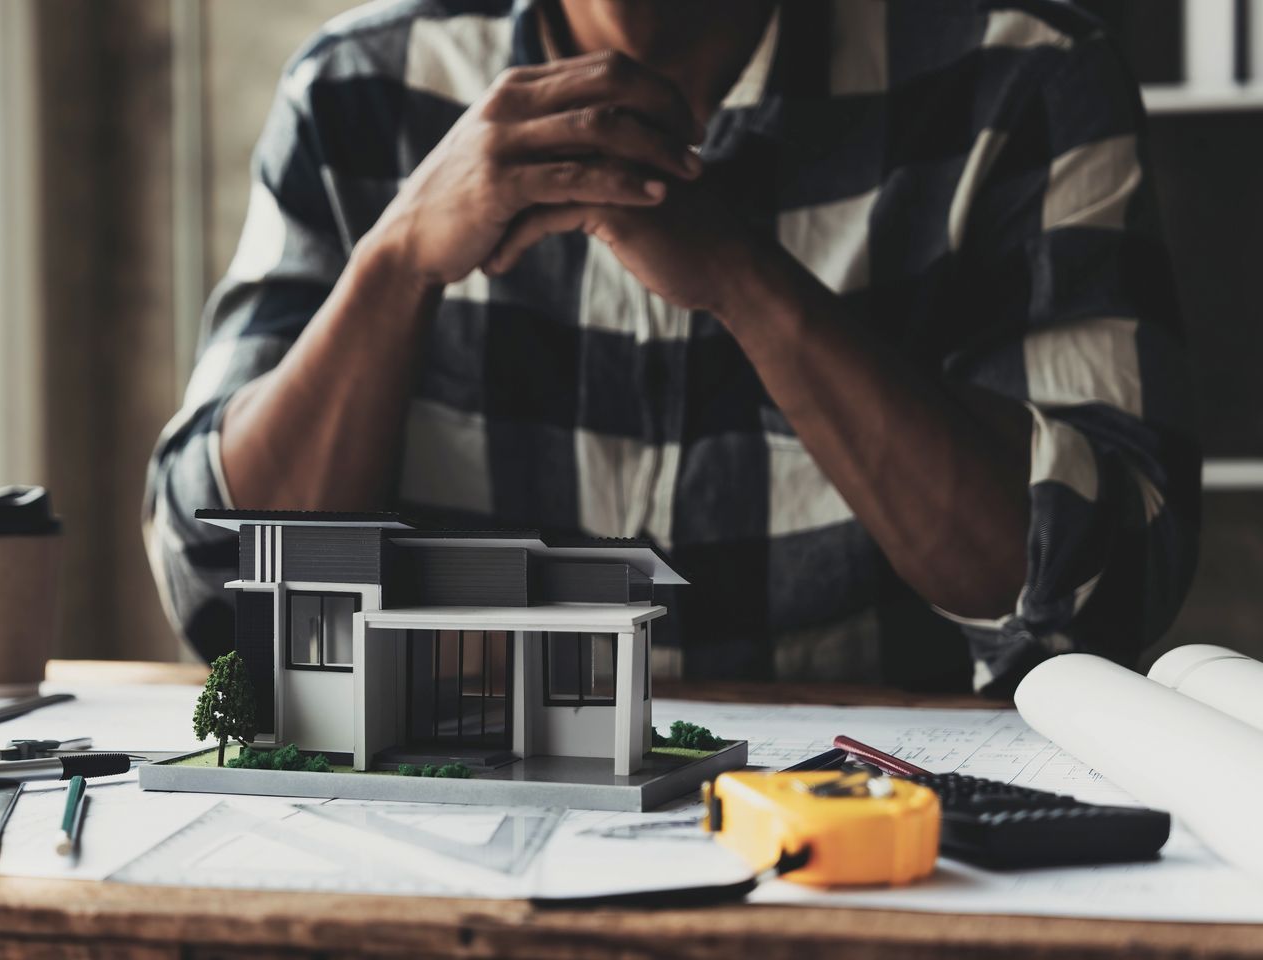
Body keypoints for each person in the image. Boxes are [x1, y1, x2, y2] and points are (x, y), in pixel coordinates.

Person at [143, 0, 1198, 694]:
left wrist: (748, 280)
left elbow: (1098, 605)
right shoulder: (356, 93)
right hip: (447, 860)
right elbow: (227, 611)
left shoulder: (1023, 81)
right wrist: (396, 266)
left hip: (884, 856)